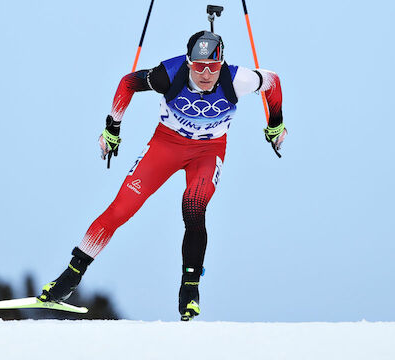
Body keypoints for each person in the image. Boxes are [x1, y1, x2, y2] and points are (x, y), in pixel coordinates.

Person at [38, 30, 287, 321]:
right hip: (165, 145)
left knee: (194, 207)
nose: (206, 74)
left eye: (213, 67)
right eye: (199, 66)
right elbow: (127, 83)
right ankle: (69, 278)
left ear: (222, 63)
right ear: (188, 62)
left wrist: (275, 124)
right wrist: (112, 127)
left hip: (208, 152)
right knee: (121, 208)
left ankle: (190, 290)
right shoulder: (167, 75)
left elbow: (272, 81)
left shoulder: (236, 78)